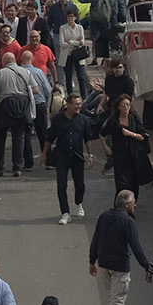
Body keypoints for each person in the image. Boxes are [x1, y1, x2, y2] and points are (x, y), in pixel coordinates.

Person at [89, 190, 148, 305]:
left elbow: (95, 240)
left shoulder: (103, 217)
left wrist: (92, 261)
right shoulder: (128, 222)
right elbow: (136, 246)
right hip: (120, 266)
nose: (135, 204)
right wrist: (146, 266)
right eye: (133, 202)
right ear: (127, 204)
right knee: (117, 300)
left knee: (113, 297)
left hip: (103, 264)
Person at [46, 92, 92, 224]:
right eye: (76, 104)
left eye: (80, 103)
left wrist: (90, 155)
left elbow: (88, 138)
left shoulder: (84, 120)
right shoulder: (58, 119)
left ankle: (79, 203)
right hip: (62, 156)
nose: (79, 106)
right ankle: (65, 213)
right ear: (69, 104)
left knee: (80, 185)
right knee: (61, 185)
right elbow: (49, 138)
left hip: (77, 157)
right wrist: (44, 154)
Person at [104, 94, 153, 195]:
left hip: (135, 156)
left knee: (134, 185)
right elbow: (102, 133)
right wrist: (107, 148)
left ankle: (131, 207)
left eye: (128, 105)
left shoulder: (134, 118)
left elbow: (142, 136)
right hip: (120, 157)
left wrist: (130, 134)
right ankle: (120, 208)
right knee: (121, 186)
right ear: (118, 107)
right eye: (123, 105)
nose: (126, 107)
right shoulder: (113, 121)